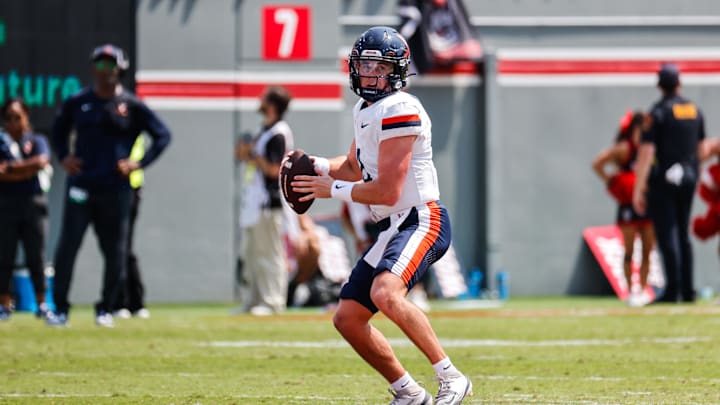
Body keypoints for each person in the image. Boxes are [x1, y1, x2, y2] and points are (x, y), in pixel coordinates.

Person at [291, 26, 472, 405]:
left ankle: (451, 377)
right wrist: (318, 166)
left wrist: (331, 189)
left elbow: (387, 189)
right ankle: (408, 392)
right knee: (348, 318)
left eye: (379, 65)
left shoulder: (401, 109)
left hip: (421, 219)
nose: (370, 71)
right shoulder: (366, 109)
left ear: (397, 71)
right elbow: (355, 167)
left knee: (386, 293)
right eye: (366, 63)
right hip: (392, 226)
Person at [48, 44, 171, 327]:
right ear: (93, 69)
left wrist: (137, 163)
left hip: (116, 189)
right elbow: (58, 131)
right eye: (100, 65)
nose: (105, 71)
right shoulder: (78, 101)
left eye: (110, 65)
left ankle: (106, 307)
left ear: (120, 69)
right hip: (81, 186)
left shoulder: (132, 105)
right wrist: (64, 156)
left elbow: (163, 136)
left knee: (116, 251)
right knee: (68, 247)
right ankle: (60, 308)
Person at [632, 63, 713, 303]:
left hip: (664, 178)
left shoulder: (657, 113)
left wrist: (639, 188)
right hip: (688, 176)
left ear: (659, 85)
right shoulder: (694, 110)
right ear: (679, 83)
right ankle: (687, 290)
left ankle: (672, 290)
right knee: (683, 233)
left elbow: (647, 152)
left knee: (668, 233)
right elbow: (701, 149)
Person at [235, 85, 294, 316]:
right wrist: (246, 153)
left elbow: (273, 169)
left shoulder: (279, 133)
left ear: (272, 105)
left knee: (269, 254)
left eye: (264, 98)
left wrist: (253, 154)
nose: (259, 100)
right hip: (254, 203)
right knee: (250, 254)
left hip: (269, 204)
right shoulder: (265, 130)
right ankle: (252, 301)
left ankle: (272, 301)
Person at [593, 110, 656, 307]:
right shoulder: (624, 148)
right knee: (629, 250)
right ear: (636, 128)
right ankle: (631, 291)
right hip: (628, 205)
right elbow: (598, 163)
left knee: (647, 249)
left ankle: (644, 290)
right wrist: (613, 183)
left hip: (648, 203)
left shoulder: (652, 148)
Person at [0, 98, 52, 321]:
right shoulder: (1, 143)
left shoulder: (37, 139)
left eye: (18, 117)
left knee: (36, 256)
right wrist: (26, 171)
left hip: (33, 204)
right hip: (6, 205)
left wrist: (11, 168)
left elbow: (41, 161)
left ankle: (42, 304)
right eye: (9, 118)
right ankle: (4, 305)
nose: (14, 122)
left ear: (26, 117)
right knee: (4, 256)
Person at [113, 135, 151, 319]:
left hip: (129, 187)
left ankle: (127, 302)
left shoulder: (131, 122)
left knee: (122, 247)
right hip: (115, 187)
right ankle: (129, 302)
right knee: (119, 248)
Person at [397, 0, 482, 75]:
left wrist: (454, 53)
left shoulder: (454, 4)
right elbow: (405, 40)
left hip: (454, 65)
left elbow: (473, 48)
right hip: (426, 71)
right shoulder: (412, 5)